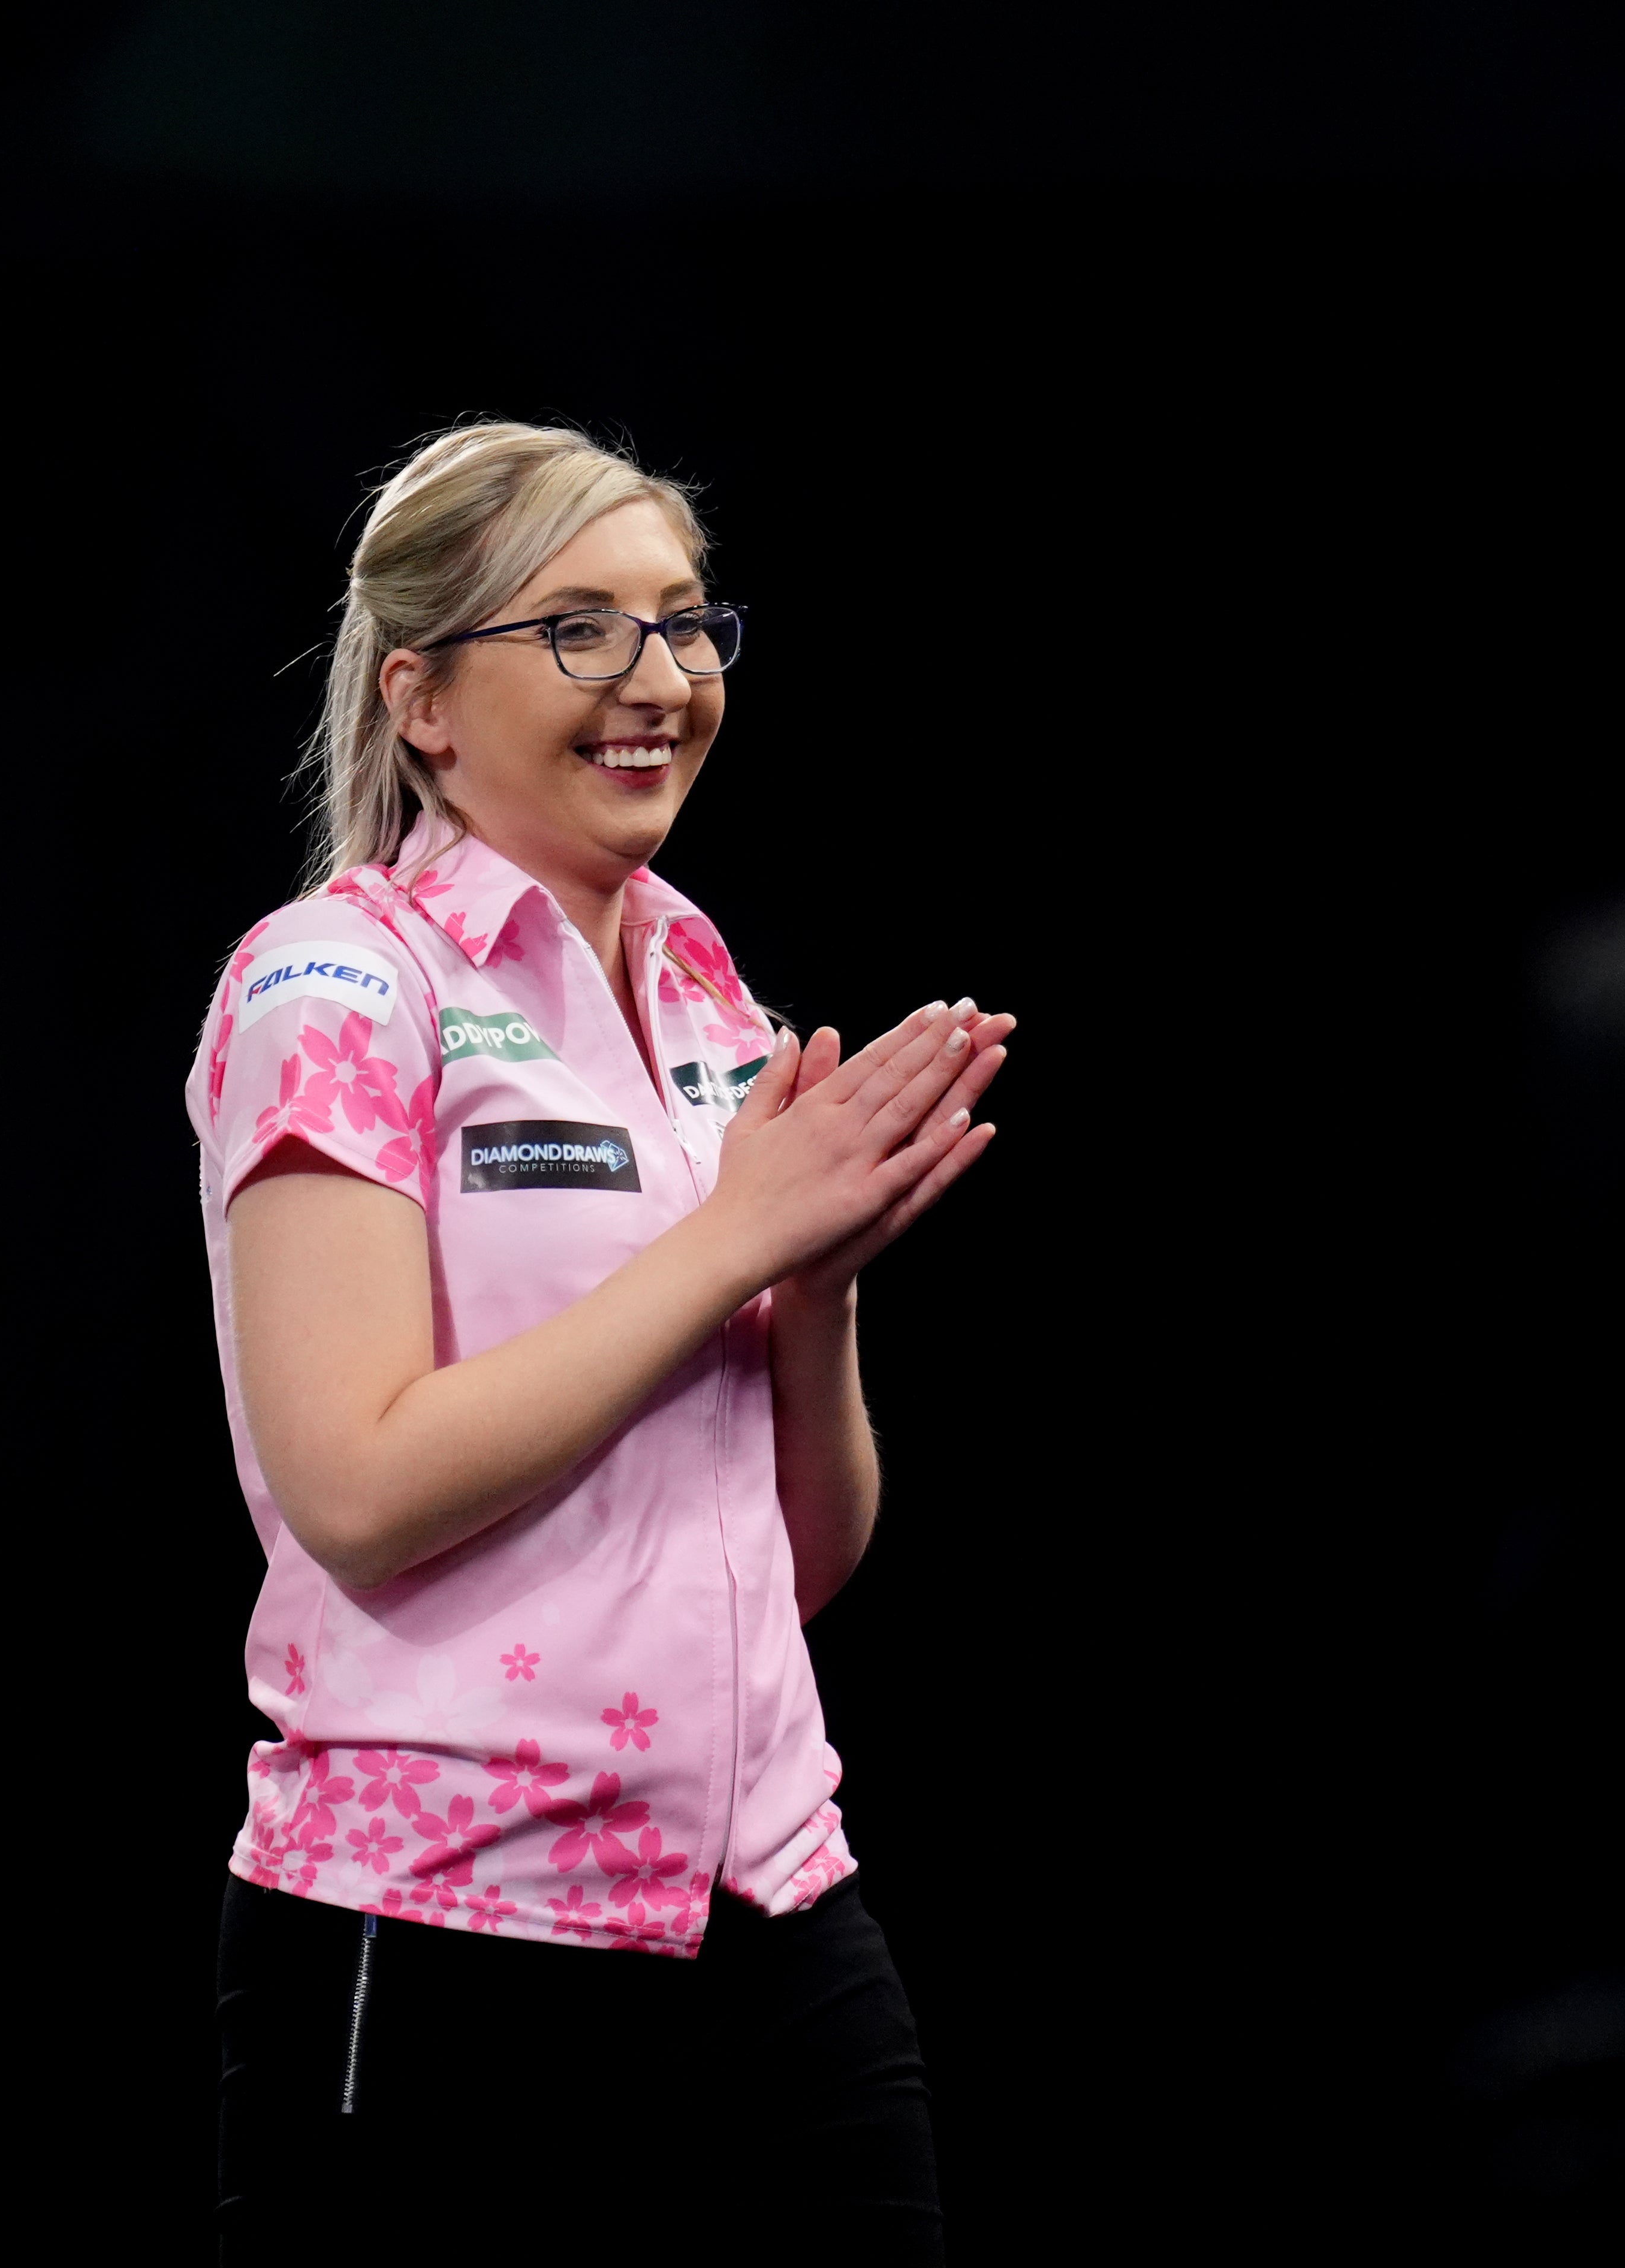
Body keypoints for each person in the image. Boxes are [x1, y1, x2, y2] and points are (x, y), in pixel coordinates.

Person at [191, 423, 1012, 2257]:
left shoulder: (706, 986)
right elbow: (360, 1485)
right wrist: (734, 1234)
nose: (658, 682)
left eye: (684, 624)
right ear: (421, 698)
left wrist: (817, 1292)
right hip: (447, 1929)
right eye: (578, 631)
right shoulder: (331, 984)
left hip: (773, 1903)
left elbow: (797, 1563)